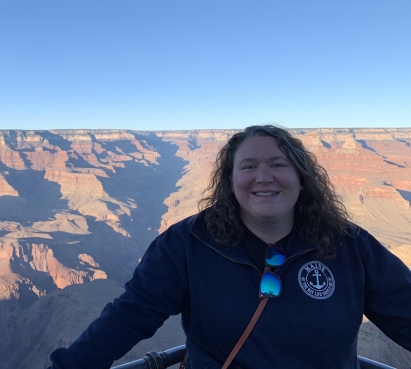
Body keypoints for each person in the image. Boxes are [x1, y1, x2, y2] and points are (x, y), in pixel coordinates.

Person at [48, 125, 411, 369]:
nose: (264, 177)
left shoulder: (349, 245)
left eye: (278, 165)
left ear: (302, 179)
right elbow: (129, 316)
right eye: (249, 166)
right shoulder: (187, 243)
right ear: (231, 180)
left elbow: (403, 310)